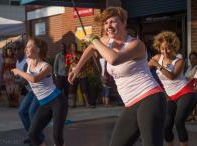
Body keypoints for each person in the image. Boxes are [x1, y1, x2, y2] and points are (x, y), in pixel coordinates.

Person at [68, 7, 166, 146]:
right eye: (106, 23)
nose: (108, 26)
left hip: (149, 98)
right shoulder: (106, 41)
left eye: (113, 22)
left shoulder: (136, 44)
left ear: (124, 22)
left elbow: (114, 59)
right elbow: (91, 48)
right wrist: (77, 69)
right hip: (130, 104)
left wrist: (94, 39)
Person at [11, 38, 68, 146]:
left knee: (57, 136)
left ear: (37, 49)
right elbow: (20, 58)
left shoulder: (46, 66)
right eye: (26, 47)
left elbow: (34, 79)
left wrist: (18, 71)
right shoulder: (28, 62)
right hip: (44, 104)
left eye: (28, 46)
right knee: (32, 134)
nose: (25, 49)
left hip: (58, 102)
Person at [149, 31, 197, 146]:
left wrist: (158, 66)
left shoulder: (179, 61)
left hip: (186, 93)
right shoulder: (157, 58)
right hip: (170, 97)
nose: (165, 52)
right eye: (162, 49)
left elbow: (172, 76)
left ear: (174, 47)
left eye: (168, 48)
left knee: (179, 121)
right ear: (159, 48)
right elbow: (145, 72)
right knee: (166, 126)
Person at [14, 41, 40, 144]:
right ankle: (32, 135)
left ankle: (37, 137)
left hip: (38, 91)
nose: (15, 52)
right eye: (14, 50)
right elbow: (20, 78)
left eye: (17, 49)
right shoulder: (17, 62)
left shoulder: (26, 61)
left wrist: (13, 81)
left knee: (32, 112)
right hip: (31, 91)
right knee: (22, 111)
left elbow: (24, 80)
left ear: (22, 50)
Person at [68, 42, 91, 108]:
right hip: (73, 76)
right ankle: (73, 104)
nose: (74, 47)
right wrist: (69, 73)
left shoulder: (80, 54)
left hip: (82, 74)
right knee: (72, 90)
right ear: (70, 48)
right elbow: (70, 65)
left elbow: (84, 62)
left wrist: (77, 59)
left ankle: (87, 103)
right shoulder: (69, 55)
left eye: (75, 46)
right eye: (72, 46)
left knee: (84, 89)